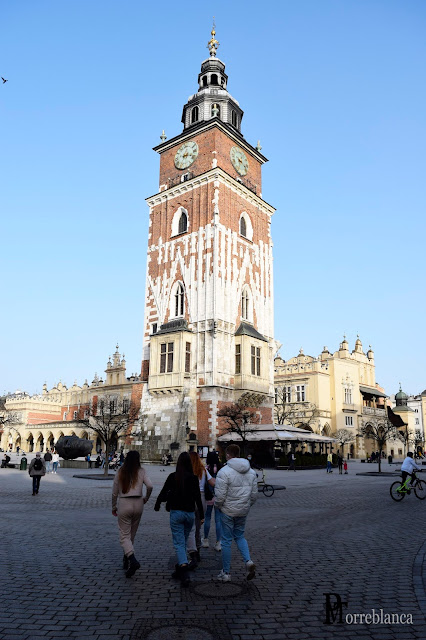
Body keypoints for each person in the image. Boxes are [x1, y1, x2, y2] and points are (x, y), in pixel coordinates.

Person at [154, 451, 204, 587]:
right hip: (189, 514)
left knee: (179, 543)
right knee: (184, 540)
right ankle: (179, 568)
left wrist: (157, 504)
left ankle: (184, 571)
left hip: (176, 513)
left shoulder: (173, 477)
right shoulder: (194, 478)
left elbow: (163, 492)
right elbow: (197, 499)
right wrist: (202, 515)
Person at [214, 444, 257, 583]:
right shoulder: (251, 471)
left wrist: (218, 506)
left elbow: (220, 496)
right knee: (240, 536)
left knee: (226, 541)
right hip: (243, 510)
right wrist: (246, 505)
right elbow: (254, 495)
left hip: (227, 510)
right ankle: (248, 561)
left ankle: (226, 573)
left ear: (228, 454)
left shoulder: (224, 471)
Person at [112, 450, 152, 578]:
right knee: (131, 534)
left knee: (124, 535)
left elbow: (114, 492)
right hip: (138, 503)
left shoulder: (121, 471)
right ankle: (126, 558)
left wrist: (113, 506)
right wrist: (146, 498)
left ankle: (132, 560)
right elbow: (150, 486)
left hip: (124, 503)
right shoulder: (141, 471)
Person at [186, 451, 215, 564]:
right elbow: (213, 482)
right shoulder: (203, 469)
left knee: (190, 528)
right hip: (202, 500)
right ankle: (197, 550)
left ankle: (192, 553)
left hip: (190, 499)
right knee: (198, 527)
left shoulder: (187, 470)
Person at [202, 454, 222, 551]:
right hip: (218, 497)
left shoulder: (206, 469)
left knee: (207, 518)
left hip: (209, 497)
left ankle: (205, 540)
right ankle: (218, 542)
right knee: (218, 520)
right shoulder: (221, 468)